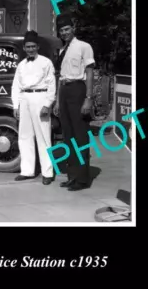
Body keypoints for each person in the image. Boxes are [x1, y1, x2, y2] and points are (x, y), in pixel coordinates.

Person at [53, 14, 95, 191]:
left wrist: (88, 98)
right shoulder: (62, 51)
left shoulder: (84, 47)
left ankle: (83, 179)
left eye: (67, 29)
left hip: (78, 90)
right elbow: (59, 77)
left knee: (80, 135)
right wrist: (56, 100)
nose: (64, 33)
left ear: (73, 28)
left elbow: (90, 72)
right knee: (68, 136)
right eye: (61, 30)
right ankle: (72, 176)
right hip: (63, 91)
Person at [11, 30, 57, 185]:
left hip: (40, 98)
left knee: (43, 136)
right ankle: (27, 170)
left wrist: (47, 104)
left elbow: (51, 85)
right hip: (24, 99)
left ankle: (47, 172)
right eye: (27, 47)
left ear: (38, 46)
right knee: (24, 136)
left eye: (33, 46)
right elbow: (16, 86)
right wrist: (16, 105)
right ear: (24, 48)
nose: (30, 49)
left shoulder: (46, 63)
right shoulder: (21, 65)